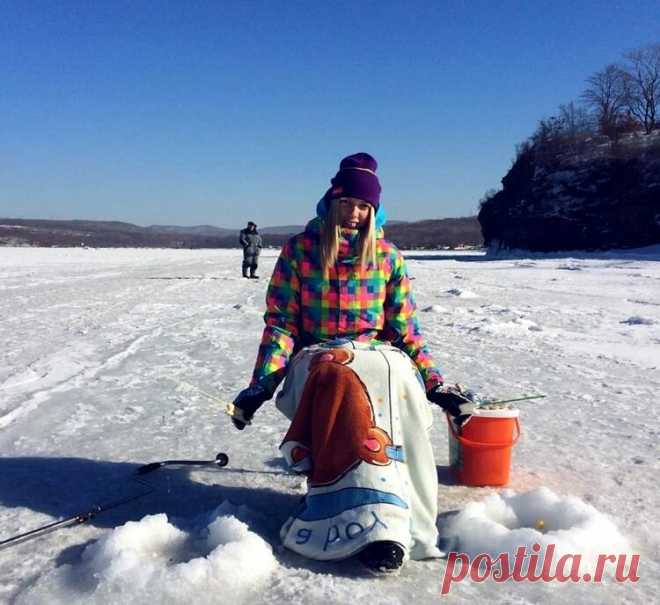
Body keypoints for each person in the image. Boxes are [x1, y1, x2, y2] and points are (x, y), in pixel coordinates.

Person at [230, 153, 474, 574]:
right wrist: (261, 385)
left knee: (396, 378)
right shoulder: (300, 251)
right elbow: (282, 323)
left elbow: (405, 329)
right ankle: (347, 520)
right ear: (332, 201)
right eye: (348, 203)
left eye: (365, 206)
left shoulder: (387, 257)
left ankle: (402, 522)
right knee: (339, 372)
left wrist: (434, 385)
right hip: (317, 356)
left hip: (377, 354)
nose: (356, 213)